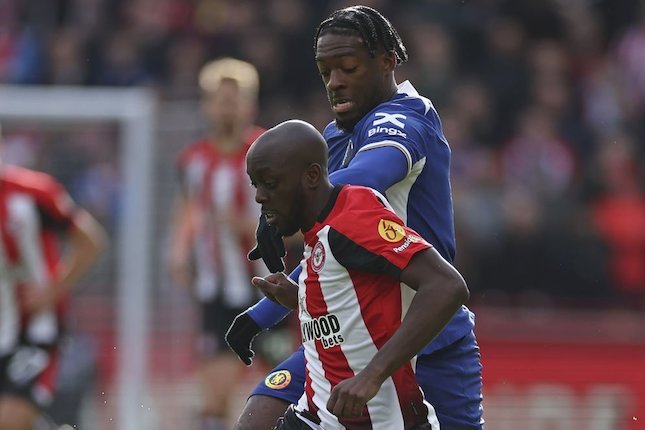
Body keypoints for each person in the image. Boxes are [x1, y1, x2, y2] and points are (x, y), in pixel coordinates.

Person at [227, 6, 484, 429]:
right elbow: (331, 246)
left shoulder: (406, 120)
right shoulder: (333, 135)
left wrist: (288, 200)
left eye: (348, 68)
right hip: (347, 333)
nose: (335, 82)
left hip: (423, 338)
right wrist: (260, 316)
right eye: (325, 71)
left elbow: (365, 179)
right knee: (259, 415)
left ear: (387, 61)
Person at [247, 119, 469, 429]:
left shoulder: (353, 218)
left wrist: (372, 375)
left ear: (311, 176)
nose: (259, 196)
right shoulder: (317, 232)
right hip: (317, 415)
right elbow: (352, 297)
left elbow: (447, 286)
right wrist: (297, 295)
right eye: (255, 184)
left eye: (270, 184)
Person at [167, 57, 268, 430]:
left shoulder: (269, 151)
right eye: (219, 99)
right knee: (214, 397)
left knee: (281, 391)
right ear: (205, 105)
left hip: (270, 290)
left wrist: (246, 225)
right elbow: (189, 209)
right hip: (216, 292)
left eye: (235, 98)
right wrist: (178, 252)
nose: (227, 106)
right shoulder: (192, 161)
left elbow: (297, 225)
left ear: (250, 103)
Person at [0, 125, 107, 430]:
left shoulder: (33, 193)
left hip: (35, 329)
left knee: (9, 419)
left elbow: (91, 241)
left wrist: (53, 289)